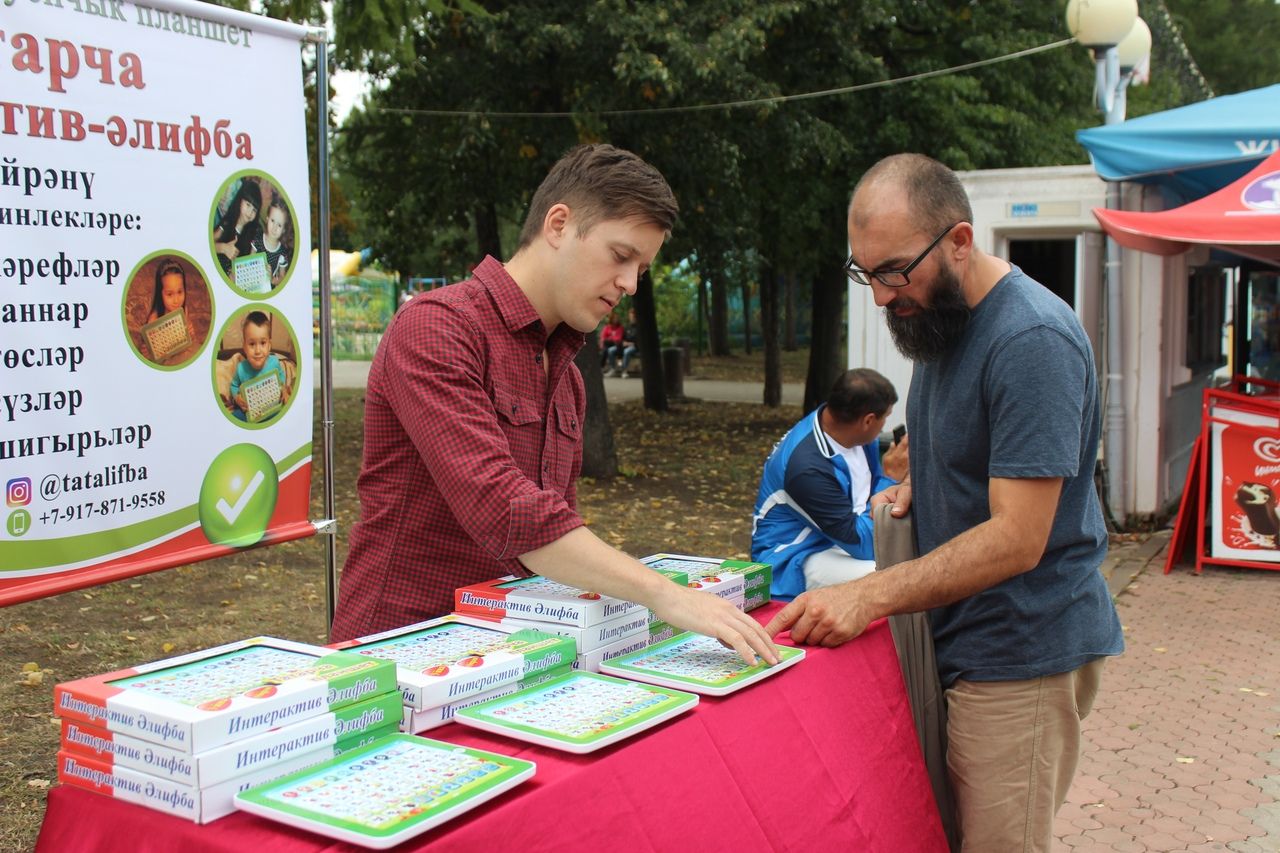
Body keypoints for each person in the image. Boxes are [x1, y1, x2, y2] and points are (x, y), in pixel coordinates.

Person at [766, 153, 1123, 852]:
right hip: (957, 638)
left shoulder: (1029, 340)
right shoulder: (941, 319)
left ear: (959, 240)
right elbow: (966, 462)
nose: (879, 294)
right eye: (864, 272)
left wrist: (869, 597)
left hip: (1020, 651)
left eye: (895, 269)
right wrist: (913, 490)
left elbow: (1019, 535)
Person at [331, 143, 778, 669]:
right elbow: (506, 510)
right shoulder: (438, 327)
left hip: (506, 657)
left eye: (643, 268)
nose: (631, 284)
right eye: (621, 256)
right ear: (559, 224)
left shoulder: (565, 375)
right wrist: (666, 595)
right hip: (395, 660)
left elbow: (555, 535)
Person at [750, 368, 900, 600]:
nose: (884, 426)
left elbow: (870, 493)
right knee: (894, 579)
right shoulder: (807, 469)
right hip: (794, 558)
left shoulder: (852, 433)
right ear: (868, 420)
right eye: (885, 418)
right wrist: (892, 479)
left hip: (837, 538)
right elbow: (865, 545)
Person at [229, 310, 289, 422]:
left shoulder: (275, 362)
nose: (257, 351)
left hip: (274, 408)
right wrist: (237, 398)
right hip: (251, 412)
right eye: (252, 344)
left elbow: (281, 376)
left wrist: (283, 390)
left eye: (263, 343)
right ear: (244, 347)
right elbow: (233, 385)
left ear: (269, 345)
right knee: (233, 418)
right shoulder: (241, 368)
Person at [213, 179, 263, 276]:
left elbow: (251, 264)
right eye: (248, 205)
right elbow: (207, 244)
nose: (250, 213)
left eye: (254, 210)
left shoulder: (255, 233)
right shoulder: (228, 222)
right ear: (240, 201)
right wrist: (224, 248)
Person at [147, 258, 197, 346]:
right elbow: (149, 351)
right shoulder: (153, 320)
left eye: (180, 292)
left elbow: (189, 336)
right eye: (169, 294)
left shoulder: (184, 310)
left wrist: (190, 333)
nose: (176, 300)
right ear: (160, 294)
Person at [250, 198, 293, 287]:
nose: (274, 228)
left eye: (279, 225)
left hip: (269, 289)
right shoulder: (257, 239)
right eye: (272, 221)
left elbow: (282, 277)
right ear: (267, 219)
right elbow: (249, 261)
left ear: (284, 229)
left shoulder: (282, 252)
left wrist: (273, 280)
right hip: (253, 284)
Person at [608, 306, 640, 376]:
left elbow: (640, 340)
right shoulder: (627, 327)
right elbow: (622, 338)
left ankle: (624, 371)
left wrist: (632, 344)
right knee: (611, 350)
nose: (632, 318)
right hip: (624, 346)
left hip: (635, 347)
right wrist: (623, 342)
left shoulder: (639, 327)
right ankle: (613, 369)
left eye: (633, 316)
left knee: (626, 352)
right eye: (630, 316)